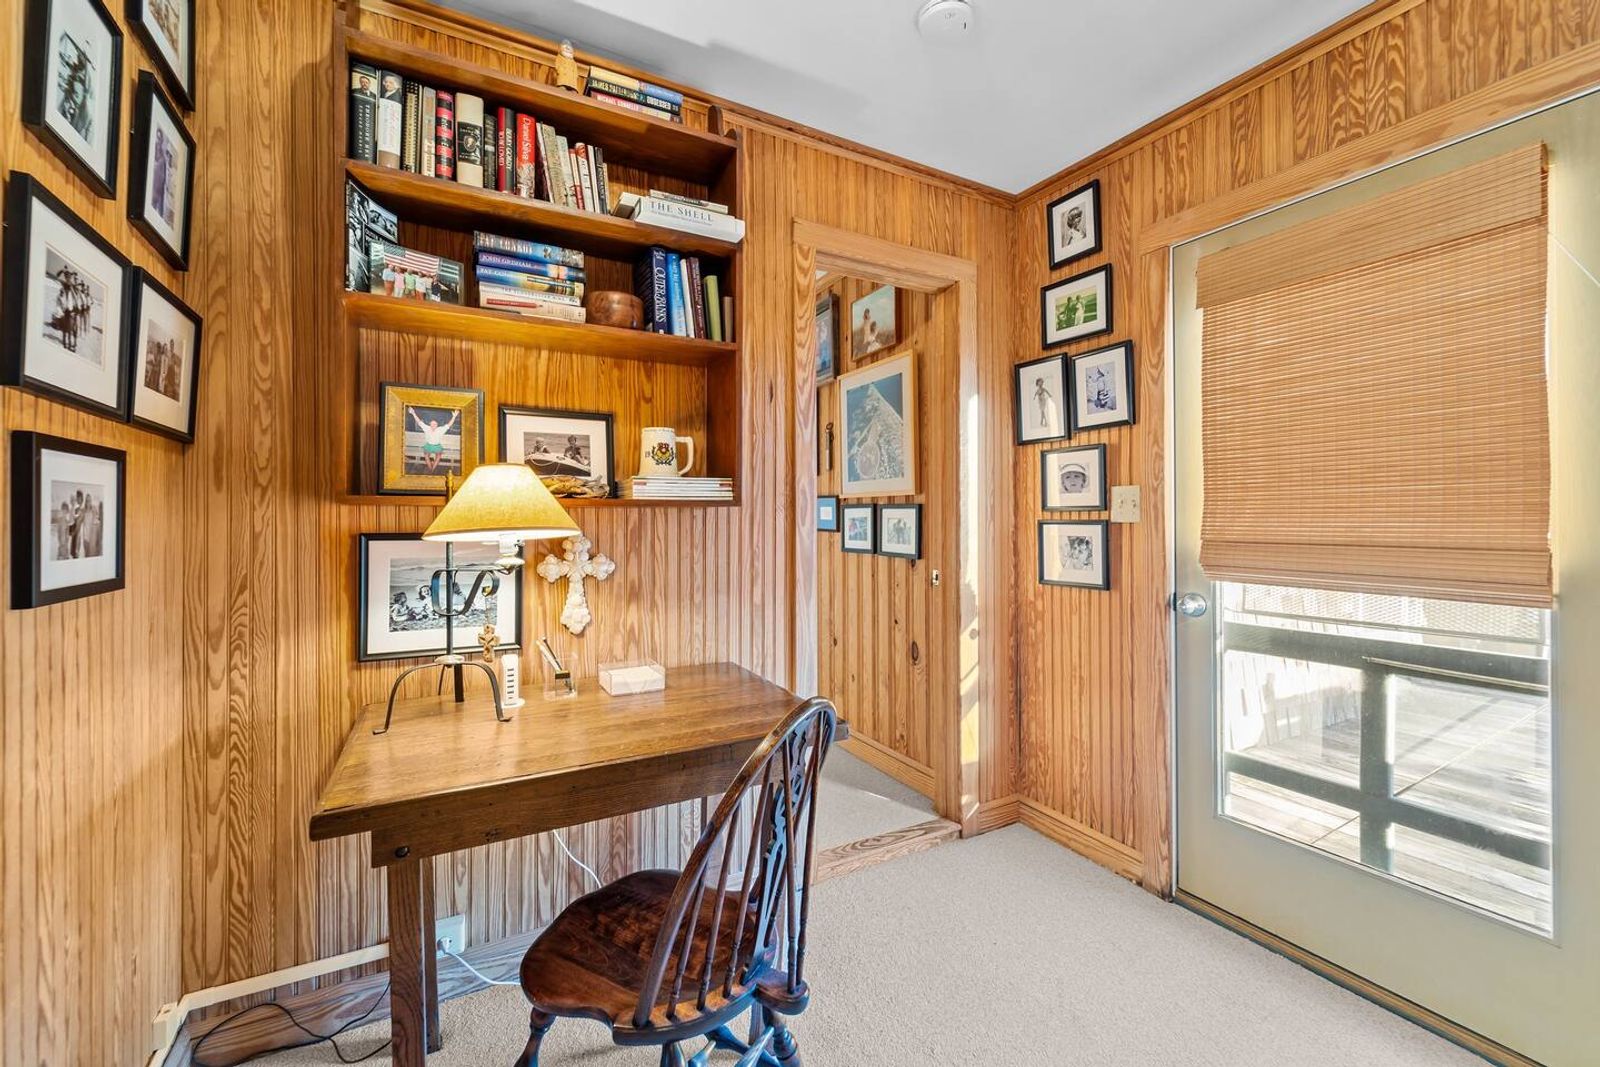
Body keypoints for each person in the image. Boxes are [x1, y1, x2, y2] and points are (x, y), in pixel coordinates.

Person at [408, 407, 460, 473]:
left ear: (437, 425)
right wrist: (413, 413)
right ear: (430, 424)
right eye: (432, 424)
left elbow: (449, 425)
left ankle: (432, 470)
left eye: (435, 424)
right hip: (428, 446)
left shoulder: (440, 429)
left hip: (437, 446)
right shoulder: (426, 428)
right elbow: (419, 422)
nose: (433, 425)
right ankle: (431, 469)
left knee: (438, 456)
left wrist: (454, 416)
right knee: (426, 455)